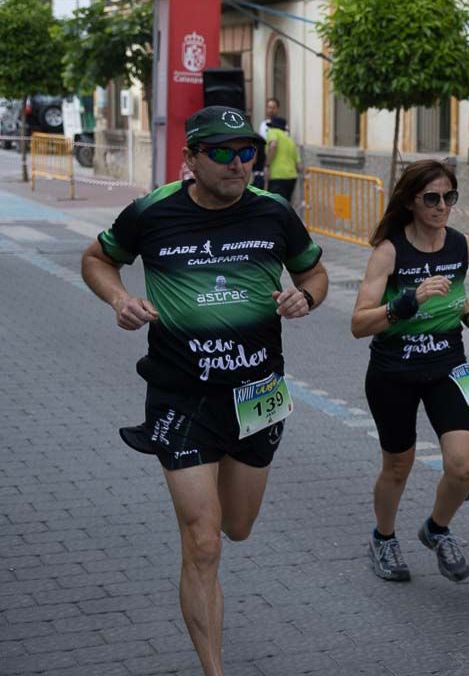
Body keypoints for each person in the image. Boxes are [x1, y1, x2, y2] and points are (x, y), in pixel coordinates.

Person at [81, 105, 328, 676]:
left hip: (256, 395)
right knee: (203, 540)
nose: (238, 163)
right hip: (180, 397)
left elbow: (313, 272)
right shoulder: (152, 212)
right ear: (189, 159)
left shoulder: (274, 214)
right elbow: (97, 257)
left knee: (234, 528)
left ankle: (208, 518)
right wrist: (119, 299)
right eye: (221, 152)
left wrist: (307, 297)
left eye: (247, 152)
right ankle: (212, 668)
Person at [350, 160, 469, 584]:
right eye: (432, 198)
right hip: (394, 368)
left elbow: (457, 293)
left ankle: (436, 528)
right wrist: (408, 301)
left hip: (448, 363)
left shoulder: (462, 245)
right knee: (398, 465)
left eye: (450, 197)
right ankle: (384, 537)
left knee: (465, 466)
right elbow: (359, 323)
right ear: (412, 201)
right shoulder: (390, 251)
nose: (442, 206)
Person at [264, 116, 302, 204]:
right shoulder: (290, 139)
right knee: (285, 205)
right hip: (291, 177)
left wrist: (267, 165)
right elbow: (299, 166)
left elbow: (273, 145)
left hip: (277, 176)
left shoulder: (273, 132)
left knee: (274, 206)